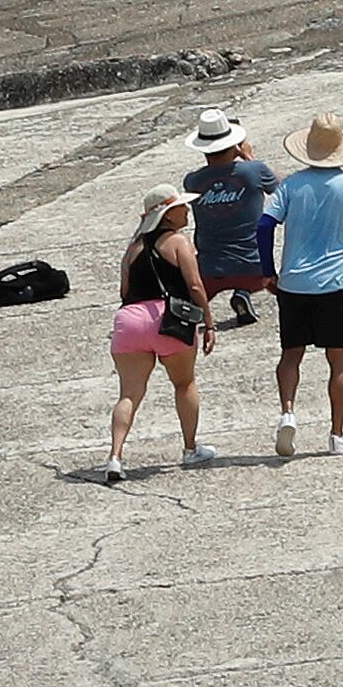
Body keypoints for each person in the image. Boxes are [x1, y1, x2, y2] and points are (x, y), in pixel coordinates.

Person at [261, 113, 343, 457]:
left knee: (291, 354)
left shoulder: (291, 186)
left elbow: (264, 226)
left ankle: (287, 412)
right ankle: (337, 433)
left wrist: (268, 270)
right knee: (339, 361)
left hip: (294, 284)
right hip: (334, 285)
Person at [105, 187, 216, 481]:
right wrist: (209, 321)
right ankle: (190, 448)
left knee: (128, 394)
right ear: (167, 214)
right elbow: (194, 285)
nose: (187, 211)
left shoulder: (133, 248)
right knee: (184, 383)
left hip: (129, 321)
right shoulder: (178, 241)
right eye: (181, 207)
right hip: (168, 320)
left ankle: (115, 456)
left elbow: (124, 291)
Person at [181, 110, 278, 330]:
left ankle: (193, 310)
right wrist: (249, 158)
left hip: (209, 271)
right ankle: (243, 293)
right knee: (276, 281)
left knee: (193, 291)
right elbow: (281, 191)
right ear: (235, 144)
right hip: (255, 269)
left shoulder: (192, 180)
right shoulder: (254, 170)